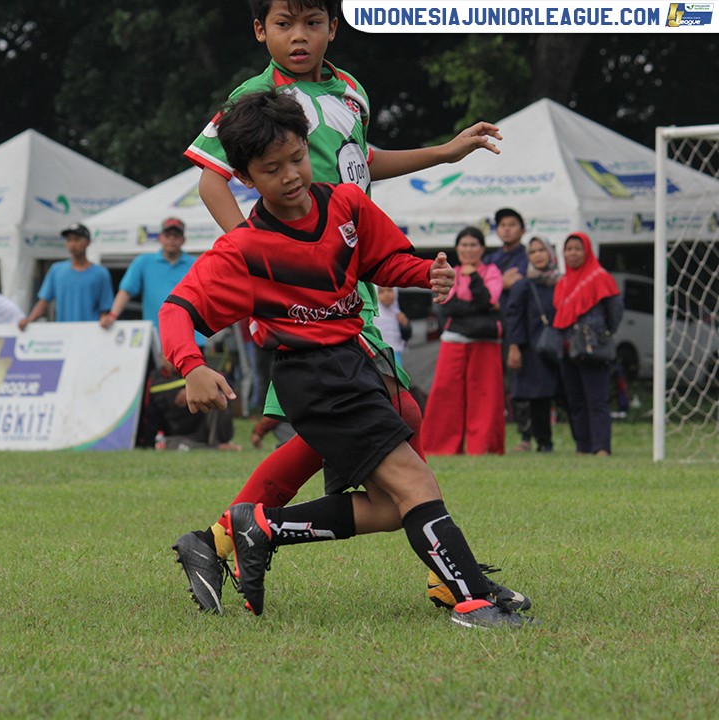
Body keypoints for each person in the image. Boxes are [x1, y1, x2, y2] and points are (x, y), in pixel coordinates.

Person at [174, 0, 506, 614]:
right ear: (260, 31)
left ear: (334, 26)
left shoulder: (351, 89)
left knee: (353, 428)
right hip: (302, 296)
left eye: (312, 23)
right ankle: (447, 575)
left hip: (347, 282)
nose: (298, 36)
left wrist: (442, 152)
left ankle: (221, 537)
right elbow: (211, 178)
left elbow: (361, 163)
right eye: (282, 24)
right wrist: (257, 263)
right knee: (384, 417)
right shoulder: (257, 93)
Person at [424, 227, 505, 455]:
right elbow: (447, 306)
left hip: (486, 342)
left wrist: (473, 277)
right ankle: (441, 447)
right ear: (457, 248)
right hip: (454, 340)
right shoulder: (450, 273)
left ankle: (483, 446)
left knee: (485, 396)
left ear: (482, 248)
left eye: (473, 245)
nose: (468, 250)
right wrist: (476, 307)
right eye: (464, 245)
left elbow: (487, 300)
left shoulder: (491, 271)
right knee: (445, 395)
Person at [554, 232, 623, 456]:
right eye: (568, 249)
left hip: (593, 347)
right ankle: (582, 446)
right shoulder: (563, 282)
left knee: (597, 399)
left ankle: (601, 447)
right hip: (567, 347)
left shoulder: (600, 277)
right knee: (575, 400)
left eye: (577, 248)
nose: (572, 253)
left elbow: (615, 312)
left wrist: (601, 334)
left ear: (587, 251)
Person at [504, 236, 562, 453]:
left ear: (550, 253)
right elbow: (514, 317)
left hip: (557, 345)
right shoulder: (523, 285)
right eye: (533, 252)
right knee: (538, 396)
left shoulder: (560, 282)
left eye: (542, 250)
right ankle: (542, 442)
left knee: (561, 394)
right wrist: (514, 347)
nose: (538, 255)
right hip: (532, 348)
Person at [100, 217, 201, 341]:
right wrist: (112, 315)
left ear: (183, 240)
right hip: (156, 336)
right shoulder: (143, 262)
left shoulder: (196, 264)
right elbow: (126, 291)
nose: (172, 239)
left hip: (192, 337)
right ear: (160, 238)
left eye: (176, 235)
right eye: (168, 235)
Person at [485, 207, 533, 451]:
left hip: (521, 329)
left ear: (522, 230)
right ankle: (491, 433)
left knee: (520, 383)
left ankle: (526, 437)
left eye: (512, 224)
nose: (507, 228)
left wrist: (496, 286)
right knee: (492, 385)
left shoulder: (528, 257)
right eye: (502, 224)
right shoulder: (489, 260)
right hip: (490, 329)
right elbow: (480, 290)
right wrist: (500, 284)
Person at [18, 223, 113, 329]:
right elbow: (43, 302)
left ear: (88, 242)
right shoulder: (56, 270)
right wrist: (29, 320)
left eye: (77, 239)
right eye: (69, 240)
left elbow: (104, 309)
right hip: (63, 335)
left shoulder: (101, 273)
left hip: (89, 334)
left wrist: (104, 323)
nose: (72, 244)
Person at [146, 361, 241, 451]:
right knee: (168, 444)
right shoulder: (156, 378)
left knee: (216, 397)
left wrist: (192, 390)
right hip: (180, 433)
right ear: (161, 358)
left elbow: (219, 380)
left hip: (203, 424)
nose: (170, 360)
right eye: (166, 356)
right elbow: (161, 396)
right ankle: (216, 448)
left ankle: (216, 442)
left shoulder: (193, 370)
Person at [372, 286, 411, 362]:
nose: (386, 294)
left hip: (396, 353)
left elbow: (406, 337)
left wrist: (406, 324)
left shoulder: (398, 314)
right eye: (382, 292)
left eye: (390, 290)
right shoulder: (373, 315)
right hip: (378, 355)